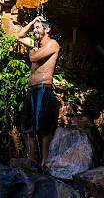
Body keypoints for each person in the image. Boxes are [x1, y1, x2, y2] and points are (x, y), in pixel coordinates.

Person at [16, 16, 60, 168]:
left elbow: (34, 57)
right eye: (34, 28)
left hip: (43, 88)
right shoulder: (35, 43)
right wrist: (33, 21)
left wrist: (33, 50)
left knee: (43, 127)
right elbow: (19, 35)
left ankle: (44, 162)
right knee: (27, 127)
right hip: (31, 89)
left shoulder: (53, 44)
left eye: (38, 27)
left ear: (46, 30)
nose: (35, 30)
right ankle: (32, 161)